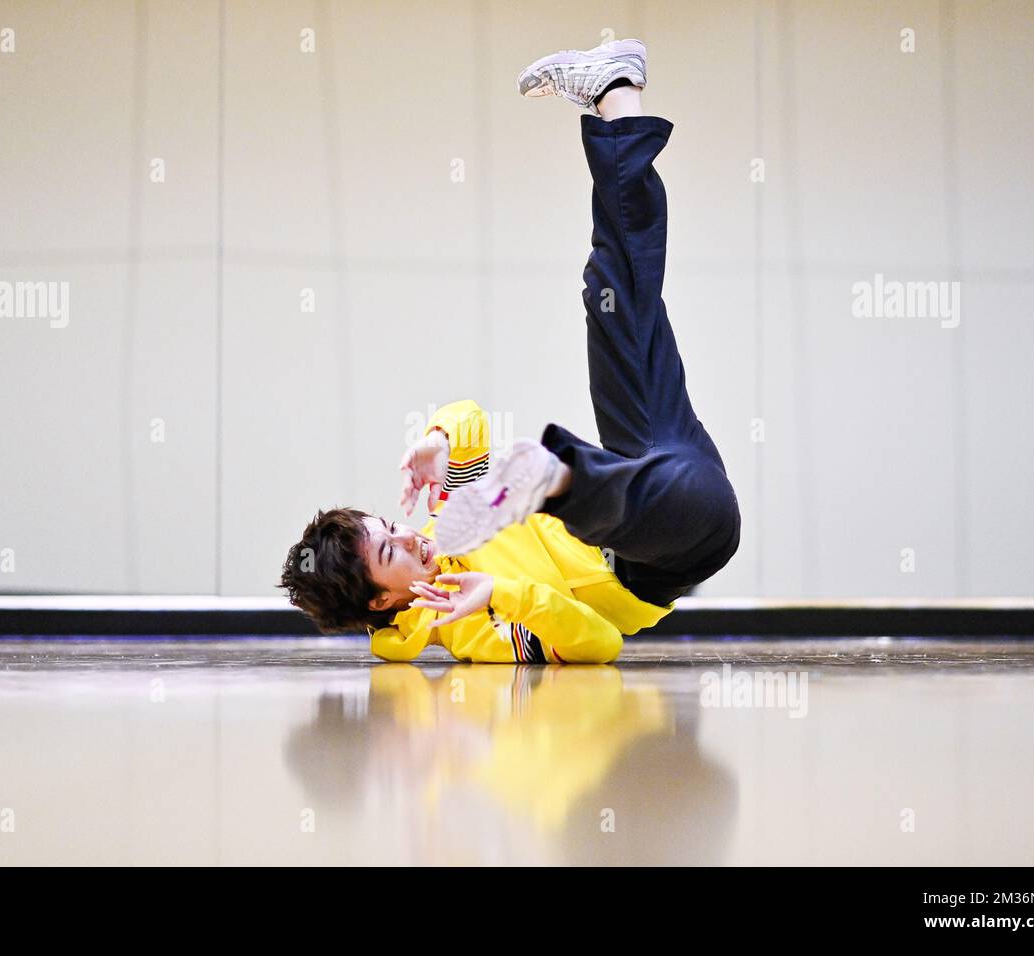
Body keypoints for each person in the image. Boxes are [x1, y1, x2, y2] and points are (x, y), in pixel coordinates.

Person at [279, 38, 740, 664]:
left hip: (648, 453)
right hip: (666, 549)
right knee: (675, 498)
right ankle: (562, 482)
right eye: (391, 554)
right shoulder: (467, 623)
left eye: (390, 528)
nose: (410, 538)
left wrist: (439, 440)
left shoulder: (445, 524)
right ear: (382, 604)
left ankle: (617, 97)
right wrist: (504, 591)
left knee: (613, 298)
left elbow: (470, 424)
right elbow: (598, 643)